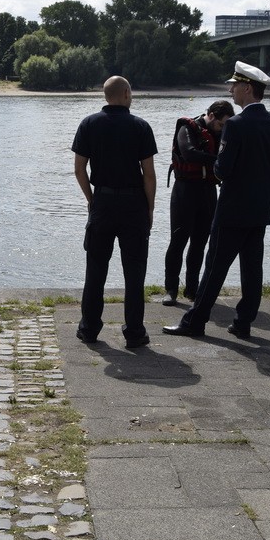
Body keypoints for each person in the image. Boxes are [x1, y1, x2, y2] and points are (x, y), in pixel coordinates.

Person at [163, 61, 270, 340]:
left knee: (215, 267)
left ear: (246, 88)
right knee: (253, 269)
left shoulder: (236, 126)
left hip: (232, 208)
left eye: (234, 86)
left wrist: (220, 169)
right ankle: (243, 322)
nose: (231, 91)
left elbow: (222, 168)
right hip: (261, 207)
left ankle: (195, 322)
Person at [72, 75, 157, 348]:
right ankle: (134, 332)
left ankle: (89, 329)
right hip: (133, 205)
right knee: (134, 272)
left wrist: (91, 198)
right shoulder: (141, 126)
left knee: (95, 269)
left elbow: (79, 169)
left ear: (105, 95)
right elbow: (149, 175)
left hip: (103, 203)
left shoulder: (89, 124)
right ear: (127, 94)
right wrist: (150, 207)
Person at [162, 100, 235, 306]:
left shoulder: (221, 133)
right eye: (221, 124)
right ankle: (171, 289)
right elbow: (188, 153)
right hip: (185, 190)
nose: (222, 129)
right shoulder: (187, 128)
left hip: (208, 191)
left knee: (200, 243)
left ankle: (192, 289)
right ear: (211, 115)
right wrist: (219, 160)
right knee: (178, 241)